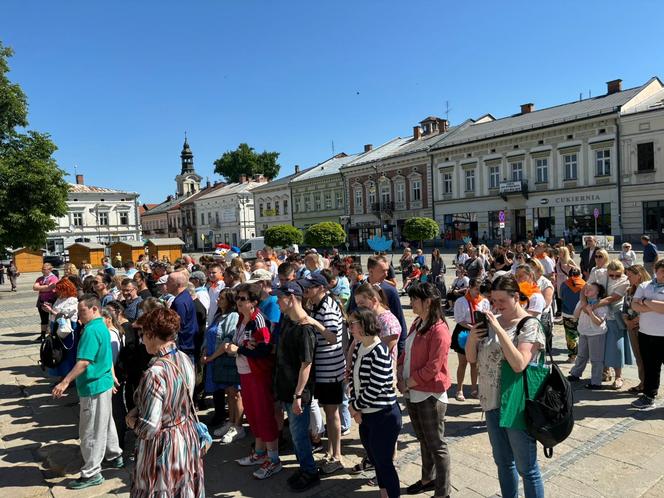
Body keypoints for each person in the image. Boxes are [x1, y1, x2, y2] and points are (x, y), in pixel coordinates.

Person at [465, 275, 545, 498]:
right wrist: (472, 337)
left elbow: (519, 364)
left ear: (516, 297)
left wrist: (499, 330)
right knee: (503, 463)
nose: (497, 306)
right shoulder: (492, 321)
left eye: (502, 301)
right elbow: (472, 358)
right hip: (491, 401)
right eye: (493, 301)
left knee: (527, 468)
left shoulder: (530, 325)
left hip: (517, 404)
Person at [125, 307, 205, 497]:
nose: (141, 339)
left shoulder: (155, 373)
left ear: (152, 335)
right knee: (182, 488)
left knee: (162, 490)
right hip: (185, 437)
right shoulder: (184, 358)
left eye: (143, 334)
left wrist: (131, 421)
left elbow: (150, 428)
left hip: (163, 447)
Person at [52, 294, 123, 490]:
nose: (80, 316)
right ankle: (114, 455)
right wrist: (111, 374)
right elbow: (106, 355)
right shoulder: (102, 326)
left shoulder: (91, 330)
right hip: (103, 383)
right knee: (106, 422)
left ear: (94, 309)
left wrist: (65, 382)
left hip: (94, 386)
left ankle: (92, 472)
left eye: (82, 312)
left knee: (90, 431)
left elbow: (84, 362)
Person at [397, 282, 452, 497]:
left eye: (414, 300)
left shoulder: (439, 330)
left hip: (430, 394)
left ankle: (443, 492)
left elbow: (433, 367)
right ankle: (428, 478)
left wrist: (407, 382)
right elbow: (406, 349)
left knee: (437, 444)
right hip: (413, 392)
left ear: (428, 302)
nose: (410, 303)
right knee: (423, 440)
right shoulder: (419, 322)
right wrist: (400, 367)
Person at [226, 283, 281, 479]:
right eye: (237, 298)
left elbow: (265, 349)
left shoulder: (259, 320)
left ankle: (273, 460)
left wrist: (238, 350)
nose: (238, 302)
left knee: (264, 414)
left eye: (242, 299)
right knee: (253, 414)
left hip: (258, 374)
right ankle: (259, 453)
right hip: (245, 372)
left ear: (253, 302)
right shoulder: (242, 319)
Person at [349, 307, 402, 498]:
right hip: (367, 414)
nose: (350, 327)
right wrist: (355, 404)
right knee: (376, 460)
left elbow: (375, 387)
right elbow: (352, 378)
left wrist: (355, 407)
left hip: (384, 416)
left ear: (363, 325)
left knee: (384, 463)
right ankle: (384, 494)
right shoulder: (359, 346)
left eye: (352, 324)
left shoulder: (378, 350)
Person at [273, 281, 319, 492]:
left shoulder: (304, 328)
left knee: (299, 434)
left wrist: (298, 395)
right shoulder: (286, 319)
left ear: (291, 299)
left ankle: (310, 472)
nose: (277, 302)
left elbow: (306, 364)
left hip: (297, 392)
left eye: (279, 298)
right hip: (285, 387)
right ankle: (304, 467)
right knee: (295, 432)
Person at [300, 272, 346, 475]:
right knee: (329, 412)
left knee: (332, 413)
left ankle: (337, 456)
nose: (306, 289)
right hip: (326, 369)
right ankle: (330, 451)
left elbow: (333, 337)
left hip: (331, 370)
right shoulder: (318, 305)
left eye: (310, 286)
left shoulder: (326, 308)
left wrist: (312, 321)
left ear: (321, 288)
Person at [203, 289, 243, 440]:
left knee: (236, 394)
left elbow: (228, 339)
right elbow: (209, 334)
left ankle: (238, 426)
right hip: (217, 360)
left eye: (221, 298)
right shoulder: (219, 315)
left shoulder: (233, 316)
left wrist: (212, 356)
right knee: (229, 394)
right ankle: (231, 422)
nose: (217, 300)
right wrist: (205, 351)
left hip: (228, 360)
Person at [348, 255, 407, 355]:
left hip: (382, 353)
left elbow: (400, 321)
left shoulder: (390, 291)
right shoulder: (358, 288)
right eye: (383, 271)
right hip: (361, 348)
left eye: (387, 270)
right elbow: (353, 315)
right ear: (370, 271)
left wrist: (401, 352)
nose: (386, 274)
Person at [630, 259, 664, 410]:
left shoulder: (644, 291)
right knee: (650, 367)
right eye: (662, 270)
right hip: (646, 333)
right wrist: (654, 305)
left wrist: (645, 301)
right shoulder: (645, 285)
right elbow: (634, 305)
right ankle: (649, 396)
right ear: (656, 270)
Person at [596, 260, 632, 390]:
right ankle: (605, 371)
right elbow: (589, 286)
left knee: (616, 346)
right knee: (602, 345)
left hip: (615, 316)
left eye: (618, 275)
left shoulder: (625, 281)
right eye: (612, 275)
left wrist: (594, 305)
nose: (614, 278)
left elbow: (613, 298)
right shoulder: (601, 274)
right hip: (601, 314)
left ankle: (619, 376)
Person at [452, 277, 489, 401]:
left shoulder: (484, 301)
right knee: (463, 362)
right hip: (464, 331)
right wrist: (471, 328)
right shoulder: (461, 301)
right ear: (470, 288)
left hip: (479, 332)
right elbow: (459, 319)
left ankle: (474, 389)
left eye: (480, 289)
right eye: (475, 289)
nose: (478, 292)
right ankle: (459, 390)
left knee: (475, 363)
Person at [567, 282, 608, 389]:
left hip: (596, 333)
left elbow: (599, 322)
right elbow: (575, 316)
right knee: (581, 355)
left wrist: (590, 312)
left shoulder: (601, 304)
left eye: (590, 289)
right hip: (584, 331)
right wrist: (581, 307)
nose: (587, 291)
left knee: (596, 358)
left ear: (597, 292)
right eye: (586, 289)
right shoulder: (582, 302)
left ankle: (596, 382)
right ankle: (576, 374)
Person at [42, 278, 79, 380]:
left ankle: (69, 378)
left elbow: (65, 315)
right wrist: (49, 309)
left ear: (65, 289)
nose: (56, 291)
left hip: (67, 329)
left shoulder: (72, 300)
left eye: (59, 289)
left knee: (67, 353)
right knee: (57, 351)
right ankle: (61, 375)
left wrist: (51, 311)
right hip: (57, 327)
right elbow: (56, 312)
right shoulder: (60, 298)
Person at [623, 264, 650, 394]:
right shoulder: (629, 290)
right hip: (632, 328)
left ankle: (648, 384)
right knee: (638, 356)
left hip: (646, 328)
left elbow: (651, 308)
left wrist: (637, 320)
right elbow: (624, 308)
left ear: (639, 276)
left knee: (648, 357)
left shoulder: (648, 290)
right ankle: (643, 382)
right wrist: (627, 321)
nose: (628, 278)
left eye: (630, 276)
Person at [167, 272, 198, 363]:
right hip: (186, 346)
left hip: (183, 349)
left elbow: (177, 325)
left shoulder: (180, 302)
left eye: (169, 281)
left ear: (178, 285)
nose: (166, 284)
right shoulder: (184, 296)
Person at [560, 267, 585, 361]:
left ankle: (572, 357)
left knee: (570, 336)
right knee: (583, 335)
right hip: (581, 314)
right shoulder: (584, 285)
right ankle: (584, 356)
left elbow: (561, 296)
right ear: (580, 274)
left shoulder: (564, 284)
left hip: (567, 314)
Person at [34, 263, 59, 341]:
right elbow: (34, 287)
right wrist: (45, 287)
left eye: (45, 269)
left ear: (50, 269)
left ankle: (53, 334)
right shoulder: (40, 278)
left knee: (53, 318)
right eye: (42, 269)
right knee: (43, 319)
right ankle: (42, 335)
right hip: (41, 300)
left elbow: (51, 287)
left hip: (51, 300)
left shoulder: (54, 278)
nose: (43, 271)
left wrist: (40, 287)